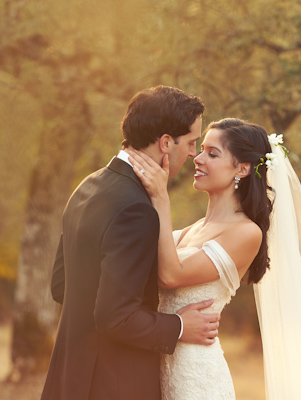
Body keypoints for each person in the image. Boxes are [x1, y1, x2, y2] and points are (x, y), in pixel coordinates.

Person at [127, 118, 301, 399]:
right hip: (159, 369)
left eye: (212, 153)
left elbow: (171, 275)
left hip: (197, 379)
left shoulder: (246, 233)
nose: (197, 159)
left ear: (243, 168)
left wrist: (160, 197)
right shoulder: (192, 229)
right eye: (200, 150)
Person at [41, 86, 221, 400]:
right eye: (192, 142)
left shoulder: (89, 186)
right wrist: (178, 326)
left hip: (69, 379)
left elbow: (61, 286)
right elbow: (116, 317)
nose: (193, 153)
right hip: (113, 385)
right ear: (166, 142)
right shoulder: (137, 209)